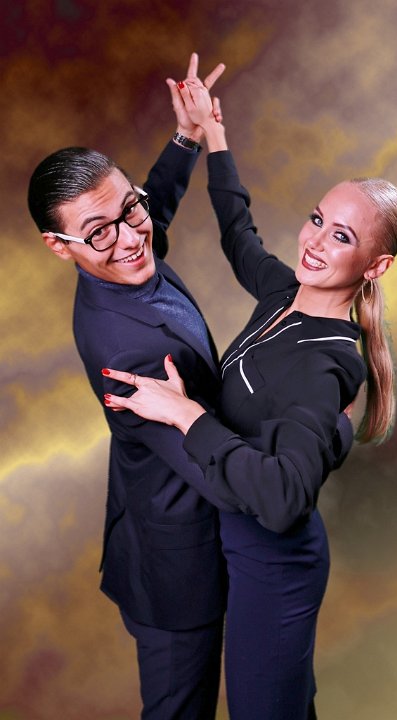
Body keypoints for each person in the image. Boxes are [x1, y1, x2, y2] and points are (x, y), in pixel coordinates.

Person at [103, 76, 397, 720]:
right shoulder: (284, 294)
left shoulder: (327, 362)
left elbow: (281, 497)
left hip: (275, 569)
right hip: (233, 550)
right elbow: (237, 231)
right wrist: (213, 135)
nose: (315, 242)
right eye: (318, 220)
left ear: (376, 266)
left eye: (342, 237)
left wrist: (186, 414)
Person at [27, 55, 232, 720]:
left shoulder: (121, 249)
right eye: (98, 232)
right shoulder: (126, 351)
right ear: (60, 246)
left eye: (129, 208)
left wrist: (187, 137)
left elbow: (151, 207)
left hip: (159, 522)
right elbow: (220, 479)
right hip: (178, 570)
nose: (131, 238)